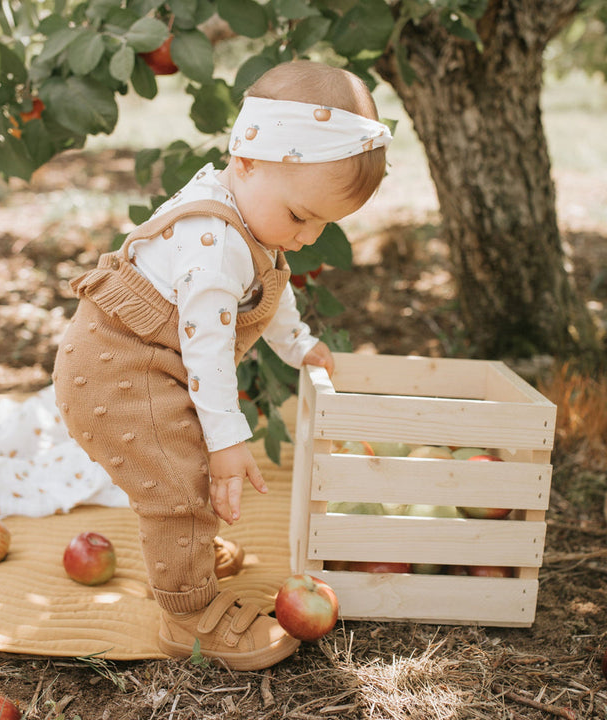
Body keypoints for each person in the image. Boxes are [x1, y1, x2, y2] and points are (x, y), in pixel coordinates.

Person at [52, 59, 391, 670]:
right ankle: (186, 616)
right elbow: (207, 348)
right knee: (181, 487)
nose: (308, 236)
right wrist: (227, 440)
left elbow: (271, 288)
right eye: (300, 216)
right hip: (120, 373)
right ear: (247, 160)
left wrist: (298, 344)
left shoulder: (255, 218)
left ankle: (191, 552)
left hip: (159, 364)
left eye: (322, 224)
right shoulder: (214, 244)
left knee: (186, 477)